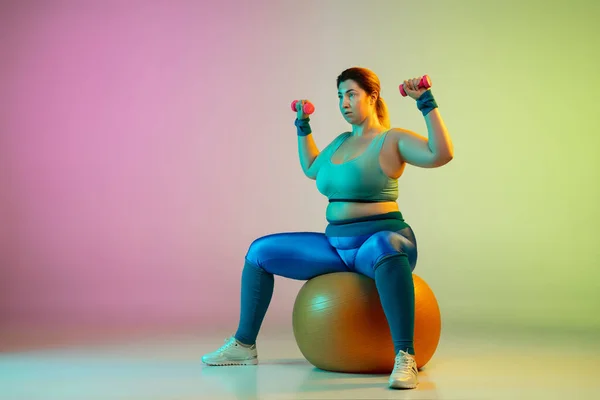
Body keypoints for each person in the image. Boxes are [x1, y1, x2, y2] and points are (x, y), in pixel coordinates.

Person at [201, 67, 454, 390]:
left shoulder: (392, 139)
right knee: (259, 252)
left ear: (372, 97)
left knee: (383, 247)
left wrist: (426, 102)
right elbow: (311, 168)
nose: (343, 103)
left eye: (351, 94)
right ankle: (243, 344)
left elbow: (441, 153)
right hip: (337, 246)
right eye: (339, 96)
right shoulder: (339, 143)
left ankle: (404, 355)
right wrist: (302, 125)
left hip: (384, 243)